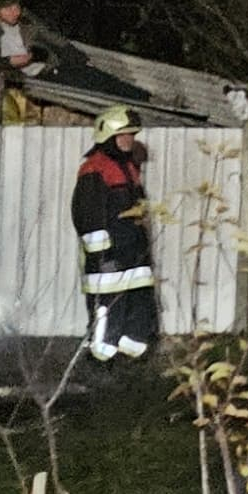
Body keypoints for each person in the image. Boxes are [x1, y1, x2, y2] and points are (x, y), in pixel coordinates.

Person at [74, 106, 160, 367]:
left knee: (139, 314)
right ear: (108, 136)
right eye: (122, 135)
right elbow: (88, 217)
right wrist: (103, 257)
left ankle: (130, 366)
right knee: (107, 316)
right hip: (109, 262)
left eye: (131, 135)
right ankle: (99, 364)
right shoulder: (94, 169)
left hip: (133, 257)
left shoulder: (128, 168)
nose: (128, 140)